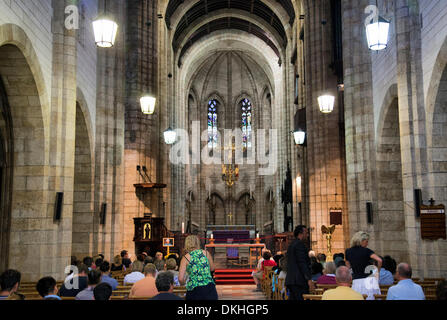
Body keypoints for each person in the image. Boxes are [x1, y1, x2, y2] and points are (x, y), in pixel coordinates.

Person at [178, 235, 218, 300]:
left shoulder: (185, 258)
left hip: (194, 289)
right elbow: (212, 268)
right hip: (209, 288)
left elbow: (180, 278)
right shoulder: (206, 253)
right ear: (197, 242)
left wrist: (183, 283)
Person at [345, 231, 382, 300]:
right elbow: (379, 260)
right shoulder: (367, 251)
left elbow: (348, 266)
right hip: (369, 280)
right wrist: (378, 271)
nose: (367, 244)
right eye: (366, 241)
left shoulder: (348, 251)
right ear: (361, 241)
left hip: (356, 281)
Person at [285, 225, 314, 300]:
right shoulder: (299, 245)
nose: (307, 235)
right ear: (300, 233)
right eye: (306, 233)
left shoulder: (292, 244)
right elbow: (302, 263)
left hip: (292, 280)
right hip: (298, 281)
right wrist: (309, 279)